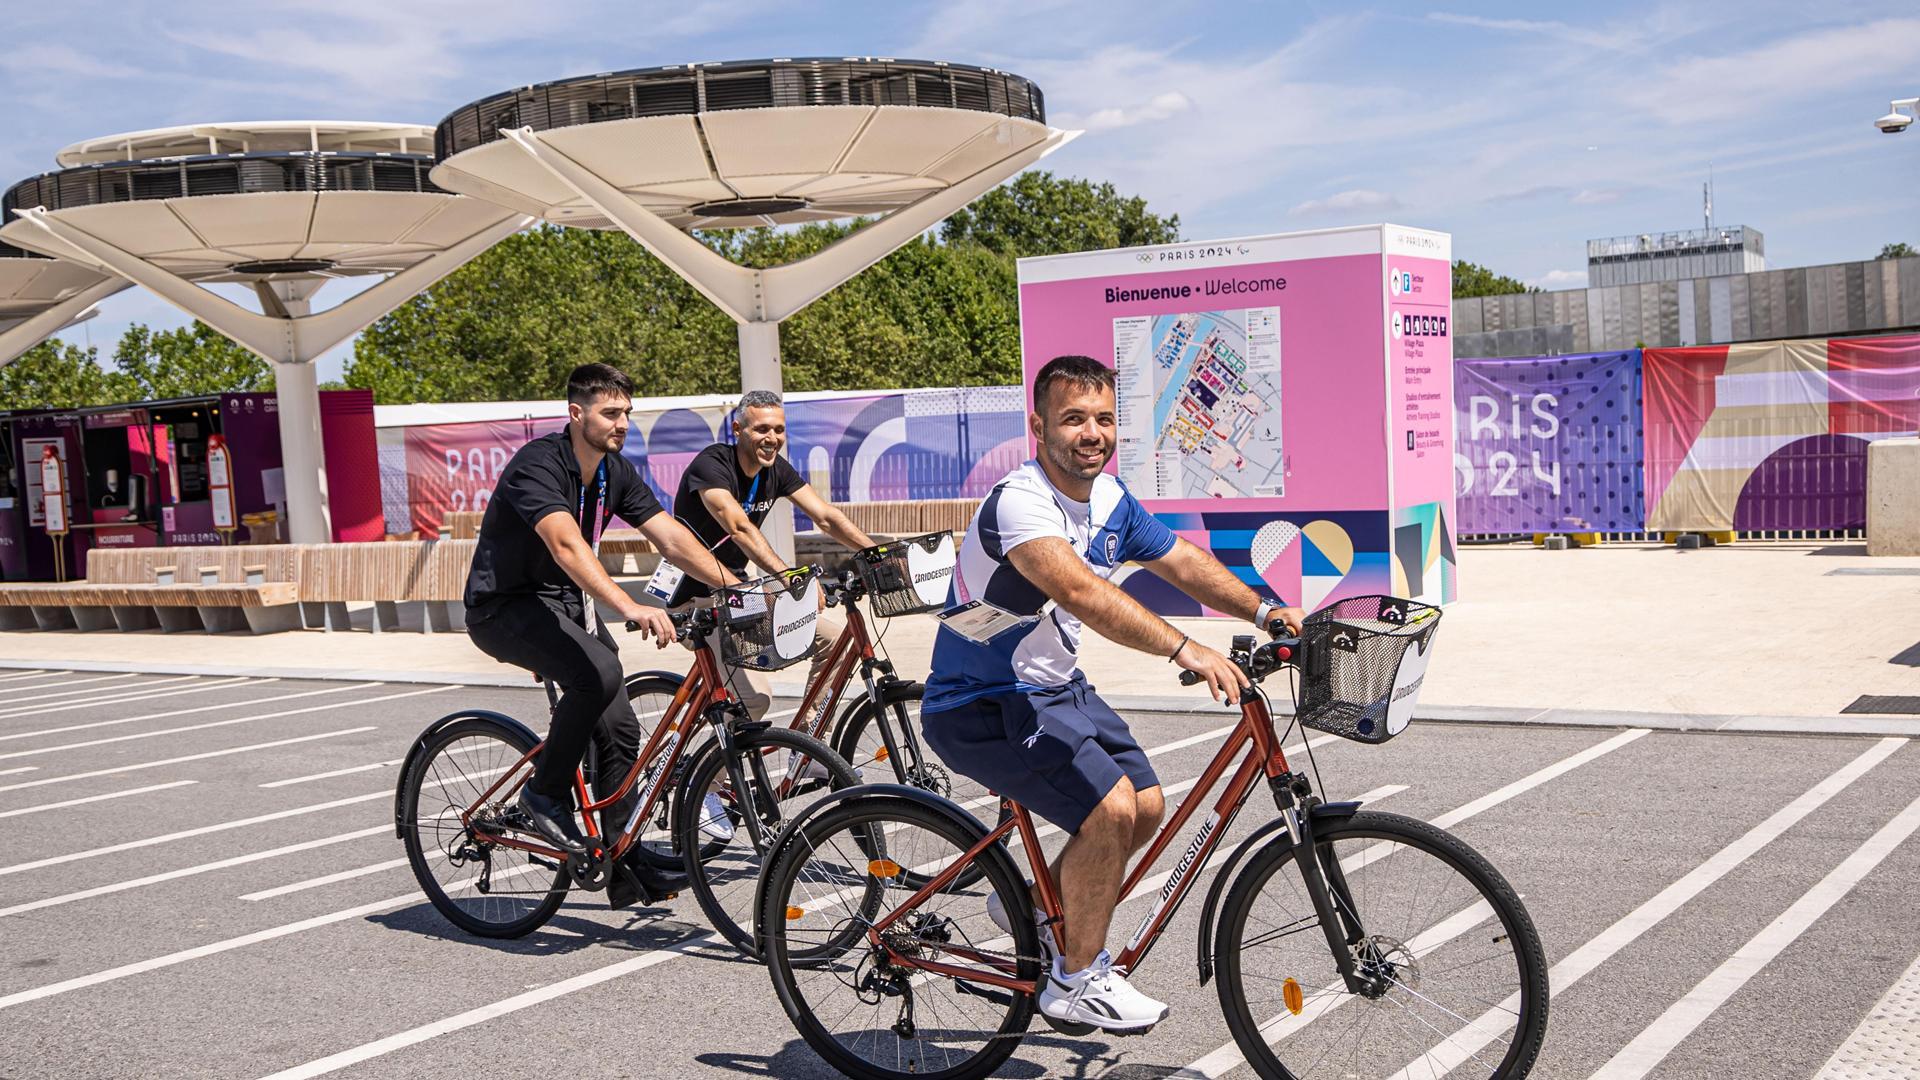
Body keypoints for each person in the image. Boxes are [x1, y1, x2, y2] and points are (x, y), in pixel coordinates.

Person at [920, 355, 1304, 1033]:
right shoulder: (1021, 501)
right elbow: (1079, 591)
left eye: (1102, 419)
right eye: (1073, 419)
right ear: (1038, 426)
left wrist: (1261, 611)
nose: (1090, 433)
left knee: (1147, 807)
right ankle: (1075, 980)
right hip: (981, 699)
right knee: (1109, 809)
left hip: (1053, 687)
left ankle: (1036, 904)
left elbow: (1180, 559)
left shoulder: (1108, 499)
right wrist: (1185, 647)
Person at [464, 363, 739, 910]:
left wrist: (743, 587)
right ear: (576, 413)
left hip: (564, 605)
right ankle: (543, 793)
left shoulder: (614, 472)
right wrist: (631, 607)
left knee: (620, 730)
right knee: (598, 674)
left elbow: (671, 536)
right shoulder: (537, 465)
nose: (622, 424)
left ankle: (623, 861)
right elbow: (567, 547)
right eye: (610, 413)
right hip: (505, 606)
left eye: (627, 415)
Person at [662, 389, 877, 728]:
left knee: (833, 639)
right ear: (738, 430)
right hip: (696, 601)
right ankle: (714, 780)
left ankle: (808, 747)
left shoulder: (775, 469)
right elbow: (738, 527)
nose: (772, 438)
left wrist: (874, 554)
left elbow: (825, 516)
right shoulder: (712, 465)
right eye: (761, 429)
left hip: (738, 595)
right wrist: (788, 575)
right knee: (754, 699)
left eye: (778, 429)